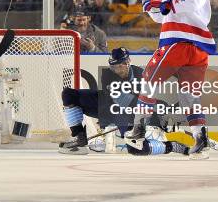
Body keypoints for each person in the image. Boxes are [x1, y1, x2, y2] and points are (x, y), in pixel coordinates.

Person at [131, 0, 216, 158]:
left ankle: (139, 129)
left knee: (149, 80)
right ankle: (200, 137)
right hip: (196, 52)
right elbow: (161, 15)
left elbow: (186, 3)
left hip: (179, 45)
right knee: (189, 97)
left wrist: (162, 1)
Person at [59, 47, 189, 156]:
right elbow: (122, 102)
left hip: (130, 115)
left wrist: (162, 112)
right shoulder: (108, 75)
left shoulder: (142, 75)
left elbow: (149, 100)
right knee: (69, 94)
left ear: (128, 62)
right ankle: (79, 137)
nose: (117, 70)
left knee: (136, 149)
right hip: (107, 107)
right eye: (114, 66)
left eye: (120, 66)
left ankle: (171, 146)